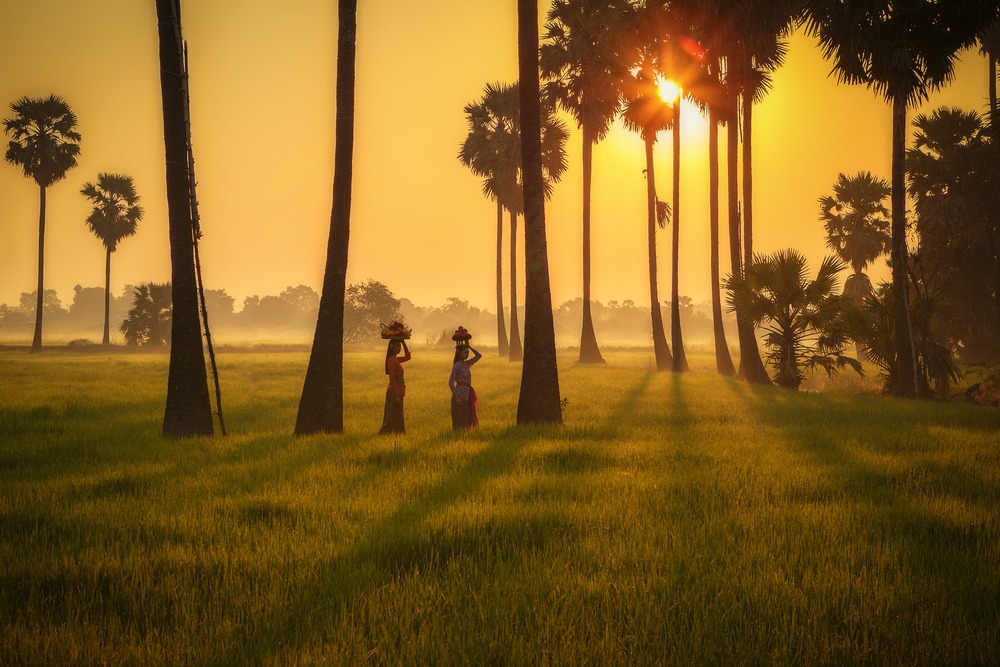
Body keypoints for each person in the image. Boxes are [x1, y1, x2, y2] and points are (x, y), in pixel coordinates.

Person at [379, 338, 410, 434]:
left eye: (399, 346)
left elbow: (408, 357)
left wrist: (403, 342)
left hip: (399, 390)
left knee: (398, 415)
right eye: (397, 346)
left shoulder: (396, 359)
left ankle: (398, 434)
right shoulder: (391, 360)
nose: (399, 348)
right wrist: (396, 395)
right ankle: (386, 435)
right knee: (392, 416)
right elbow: (392, 379)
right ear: (391, 348)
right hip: (394, 392)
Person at [448, 344, 482, 429]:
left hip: (467, 394)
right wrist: (456, 397)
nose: (467, 354)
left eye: (468, 352)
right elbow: (450, 382)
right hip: (459, 395)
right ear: (459, 353)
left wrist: (469, 346)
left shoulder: (466, 364)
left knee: (466, 420)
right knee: (459, 421)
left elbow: (479, 356)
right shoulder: (457, 366)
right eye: (465, 352)